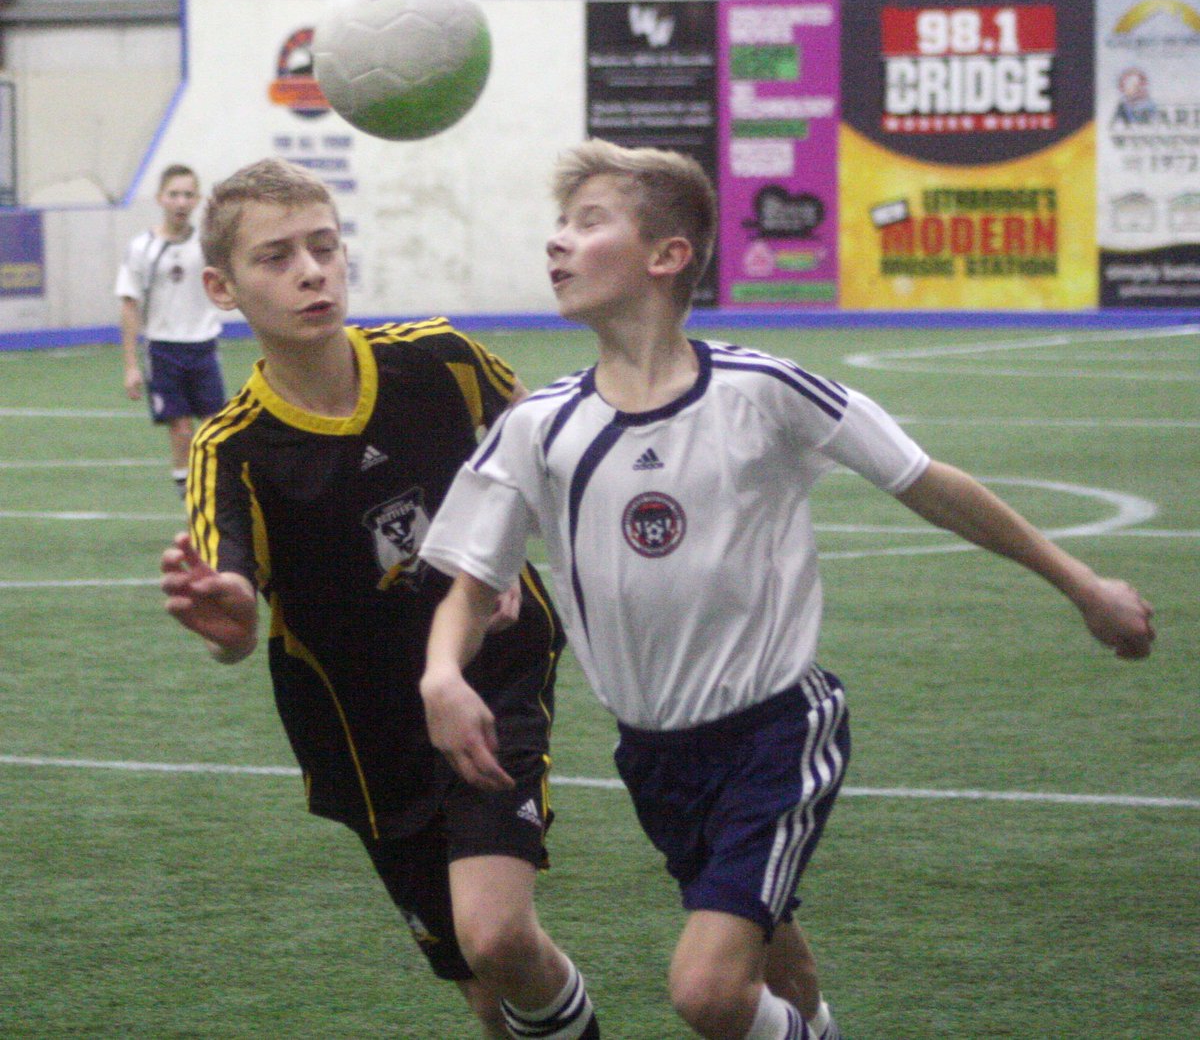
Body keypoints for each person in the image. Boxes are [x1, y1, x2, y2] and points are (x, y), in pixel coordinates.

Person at [417, 139, 1157, 1040]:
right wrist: (442, 675)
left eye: (587, 223)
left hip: (776, 734)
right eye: (559, 225)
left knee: (706, 992)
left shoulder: (765, 391)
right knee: (770, 947)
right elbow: (471, 580)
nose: (557, 243)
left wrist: (1082, 585)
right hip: (652, 754)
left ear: (668, 256)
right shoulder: (539, 427)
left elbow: (929, 482)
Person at [158, 157, 599, 1040]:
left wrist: (515, 545)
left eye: (324, 246)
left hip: (487, 670)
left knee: (498, 931)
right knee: (478, 985)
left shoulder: (439, 357)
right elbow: (232, 599)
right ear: (221, 286)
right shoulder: (230, 448)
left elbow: (543, 458)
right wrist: (230, 623)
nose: (311, 270)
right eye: (276, 257)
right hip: (361, 734)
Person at [116, 163, 227, 497]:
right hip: (164, 349)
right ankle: (188, 495)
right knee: (180, 429)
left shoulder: (209, 245)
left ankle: (214, 495)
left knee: (213, 428)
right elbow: (129, 303)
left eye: (188, 194)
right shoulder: (142, 248)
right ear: (160, 198)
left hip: (203, 346)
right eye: (174, 194)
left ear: (198, 200)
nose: (181, 201)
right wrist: (132, 365)